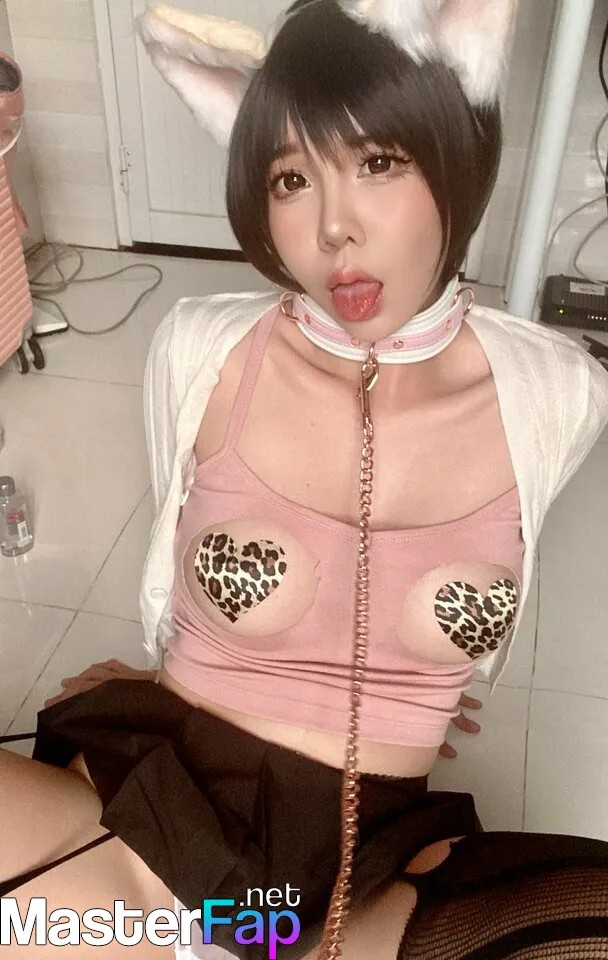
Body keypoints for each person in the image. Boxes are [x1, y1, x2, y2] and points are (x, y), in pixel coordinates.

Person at [2, 1, 608, 958]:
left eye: (379, 162)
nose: (333, 229)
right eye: (291, 178)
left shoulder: (559, 392)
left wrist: (410, 665)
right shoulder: (205, 352)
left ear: (455, 152)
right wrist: (160, 671)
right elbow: (175, 556)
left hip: (366, 875)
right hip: (153, 835)